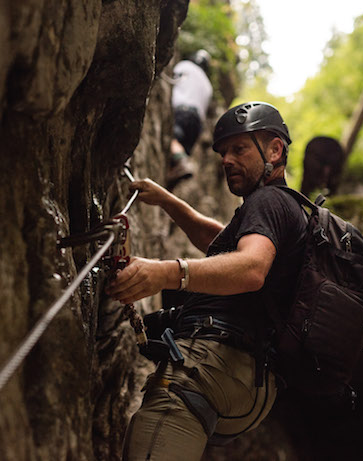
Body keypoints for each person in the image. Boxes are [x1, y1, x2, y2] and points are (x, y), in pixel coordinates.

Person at [107, 102, 307, 461]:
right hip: (247, 376)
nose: (226, 159)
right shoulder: (284, 208)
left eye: (239, 149)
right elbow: (222, 244)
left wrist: (167, 272)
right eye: (223, 152)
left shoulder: (268, 201)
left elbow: (250, 268)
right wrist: (169, 201)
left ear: (275, 150)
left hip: (213, 360)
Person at [166, 50, 214, 190]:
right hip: (197, 122)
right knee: (182, 150)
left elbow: (173, 78)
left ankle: (181, 161)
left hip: (183, 111)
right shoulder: (208, 85)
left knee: (174, 140)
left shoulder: (185, 66)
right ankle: (171, 180)